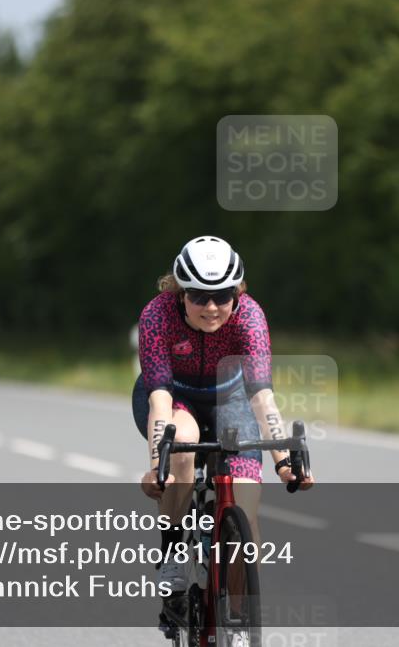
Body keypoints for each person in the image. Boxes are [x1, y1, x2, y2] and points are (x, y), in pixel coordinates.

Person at [133, 236, 314, 592]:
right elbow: (159, 400)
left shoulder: (249, 316)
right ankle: (172, 552)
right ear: (180, 292)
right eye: (200, 296)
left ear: (237, 292)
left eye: (223, 295)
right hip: (175, 396)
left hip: (231, 400)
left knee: (244, 510)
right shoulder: (157, 315)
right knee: (183, 441)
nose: (212, 307)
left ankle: (240, 615)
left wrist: (283, 462)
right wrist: (159, 467)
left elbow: (262, 397)